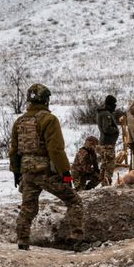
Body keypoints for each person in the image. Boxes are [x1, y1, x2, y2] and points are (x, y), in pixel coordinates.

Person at [9, 83, 86, 250]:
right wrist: (65, 173)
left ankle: (22, 241)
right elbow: (56, 150)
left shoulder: (19, 121)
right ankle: (77, 239)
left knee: (28, 208)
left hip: (27, 173)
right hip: (46, 173)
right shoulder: (49, 120)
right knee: (74, 201)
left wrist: (16, 172)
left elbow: (14, 150)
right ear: (46, 100)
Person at [95, 95, 122, 185]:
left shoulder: (104, 113)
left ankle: (103, 183)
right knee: (109, 165)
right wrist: (116, 130)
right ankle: (106, 184)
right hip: (108, 144)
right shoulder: (106, 114)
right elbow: (106, 129)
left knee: (104, 164)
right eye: (114, 104)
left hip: (105, 143)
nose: (115, 106)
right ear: (110, 104)